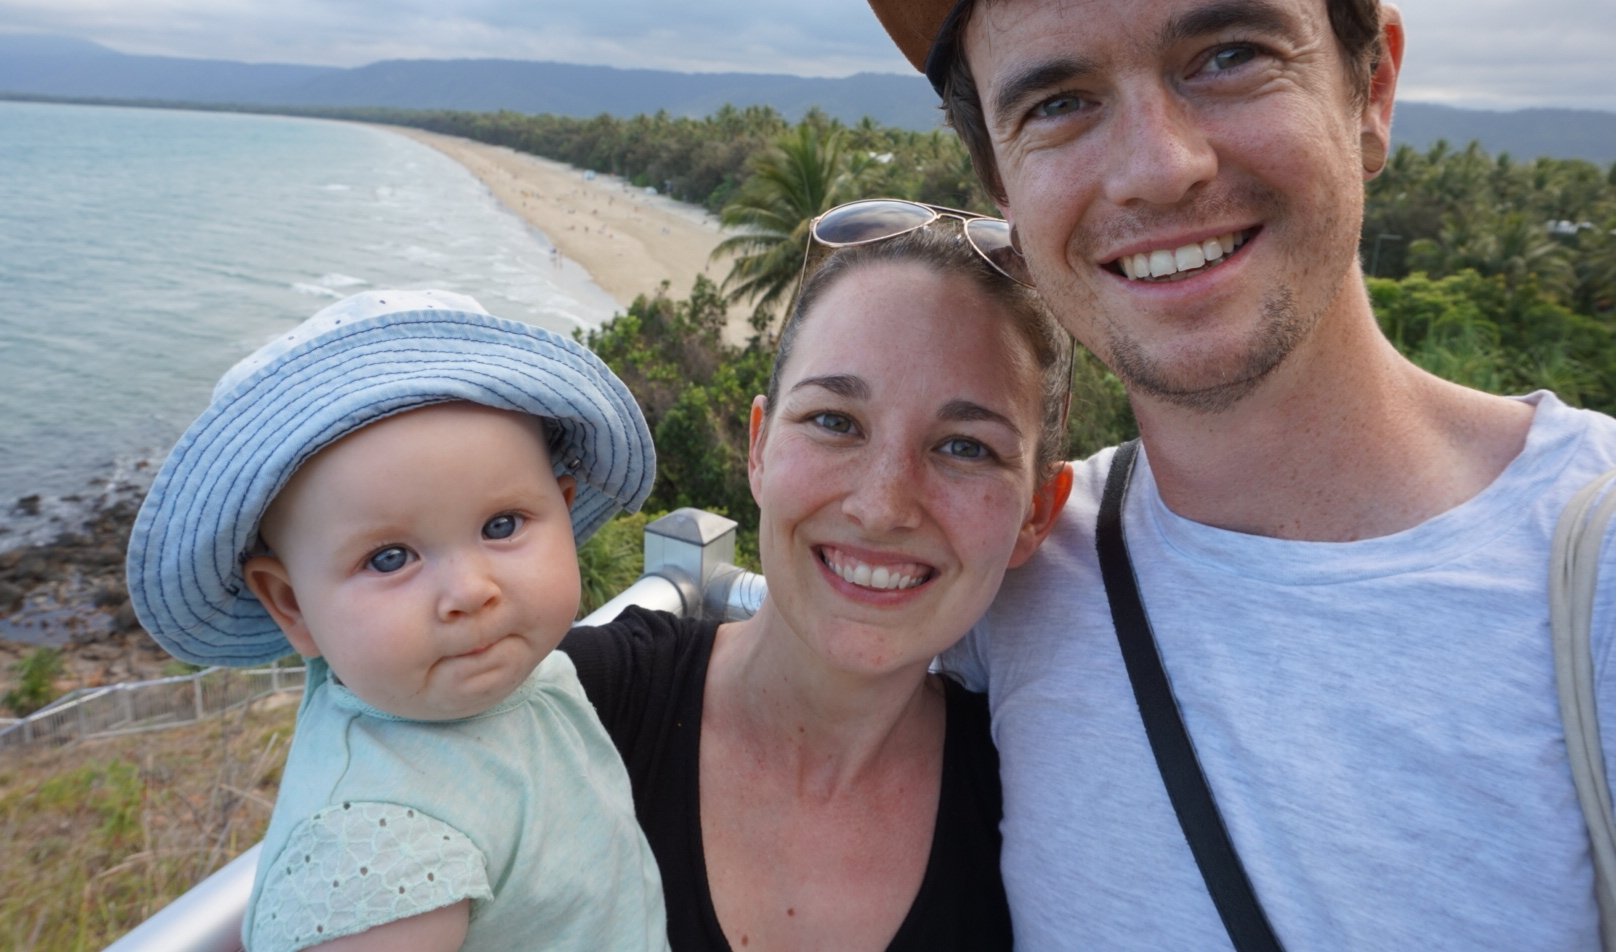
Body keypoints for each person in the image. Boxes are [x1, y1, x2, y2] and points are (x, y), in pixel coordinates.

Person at [840, 0, 1616, 948]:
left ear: (1371, 89)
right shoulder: (1007, 571)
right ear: (1003, 189)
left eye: (1229, 56)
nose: (1158, 170)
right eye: (1058, 104)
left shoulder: (1591, 578)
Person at [562, 222, 1075, 951]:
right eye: (835, 421)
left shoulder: (1038, 824)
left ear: (1037, 512)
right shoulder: (577, 711)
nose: (883, 506)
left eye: (965, 447)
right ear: (759, 448)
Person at [126, 290, 669, 952]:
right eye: (389, 559)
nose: (470, 592)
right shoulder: (376, 855)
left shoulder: (525, 675)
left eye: (502, 525)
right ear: (290, 603)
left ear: (563, 507)